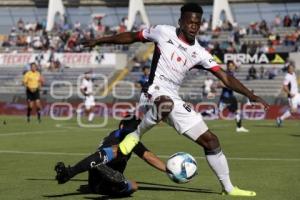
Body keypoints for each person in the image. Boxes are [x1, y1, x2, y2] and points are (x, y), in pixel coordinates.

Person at [82, 3, 269, 196]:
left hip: (173, 97)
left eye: (197, 23)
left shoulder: (200, 52)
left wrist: (251, 94)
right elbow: (131, 36)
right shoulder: (163, 32)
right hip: (151, 93)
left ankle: (229, 188)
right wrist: (100, 40)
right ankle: (135, 135)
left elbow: (225, 77)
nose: (193, 26)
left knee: (211, 141)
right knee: (165, 103)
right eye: (190, 22)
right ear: (181, 21)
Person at [55, 115, 166, 196]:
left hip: (97, 179)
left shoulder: (119, 135)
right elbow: (147, 156)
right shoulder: (121, 137)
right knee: (131, 182)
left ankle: (113, 184)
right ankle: (117, 183)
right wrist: (169, 170)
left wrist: (71, 172)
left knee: (132, 185)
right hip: (99, 171)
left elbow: (147, 155)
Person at [218, 61, 250, 133]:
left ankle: (239, 127)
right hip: (225, 97)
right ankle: (201, 115)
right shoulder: (226, 74)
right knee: (217, 111)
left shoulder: (231, 74)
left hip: (230, 97)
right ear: (227, 66)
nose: (231, 67)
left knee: (237, 111)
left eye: (232, 65)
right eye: (230, 65)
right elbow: (219, 84)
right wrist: (230, 85)